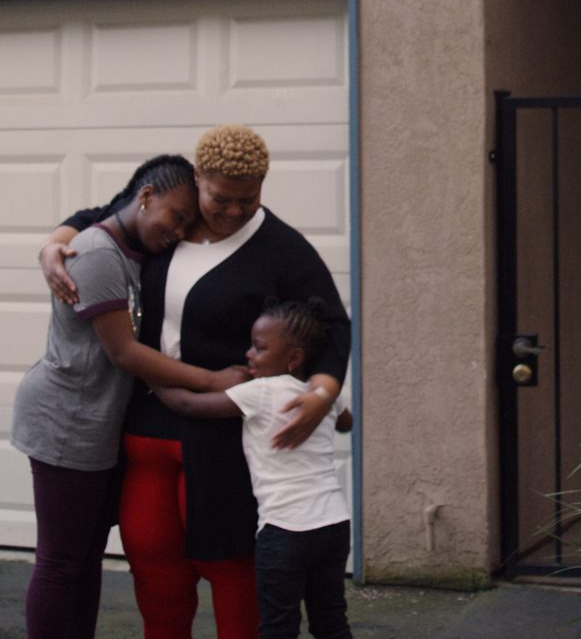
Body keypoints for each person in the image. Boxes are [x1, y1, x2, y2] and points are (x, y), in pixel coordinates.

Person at [38, 124, 351, 639]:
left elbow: (332, 324)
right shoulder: (170, 219)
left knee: (232, 569)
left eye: (247, 199)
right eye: (220, 199)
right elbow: (101, 216)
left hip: (224, 437)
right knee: (153, 564)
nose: (233, 211)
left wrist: (323, 392)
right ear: (197, 178)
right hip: (146, 428)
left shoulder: (281, 248)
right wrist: (54, 244)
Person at [12, 154, 249, 639]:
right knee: (61, 562)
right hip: (66, 422)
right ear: (145, 196)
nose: (178, 232)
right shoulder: (97, 254)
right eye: (175, 217)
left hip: (95, 424)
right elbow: (123, 352)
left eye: (186, 223)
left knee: (84, 558)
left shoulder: (133, 249)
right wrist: (211, 381)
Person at [155, 297, 355, 639]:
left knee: (278, 626)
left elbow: (190, 405)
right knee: (331, 621)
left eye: (259, 348)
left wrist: (153, 379)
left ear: (293, 358)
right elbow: (347, 423)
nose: (249, 354)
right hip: (333, 525)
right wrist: (325, 399)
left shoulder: (260, 392)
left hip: (285, 530)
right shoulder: (319, 395)